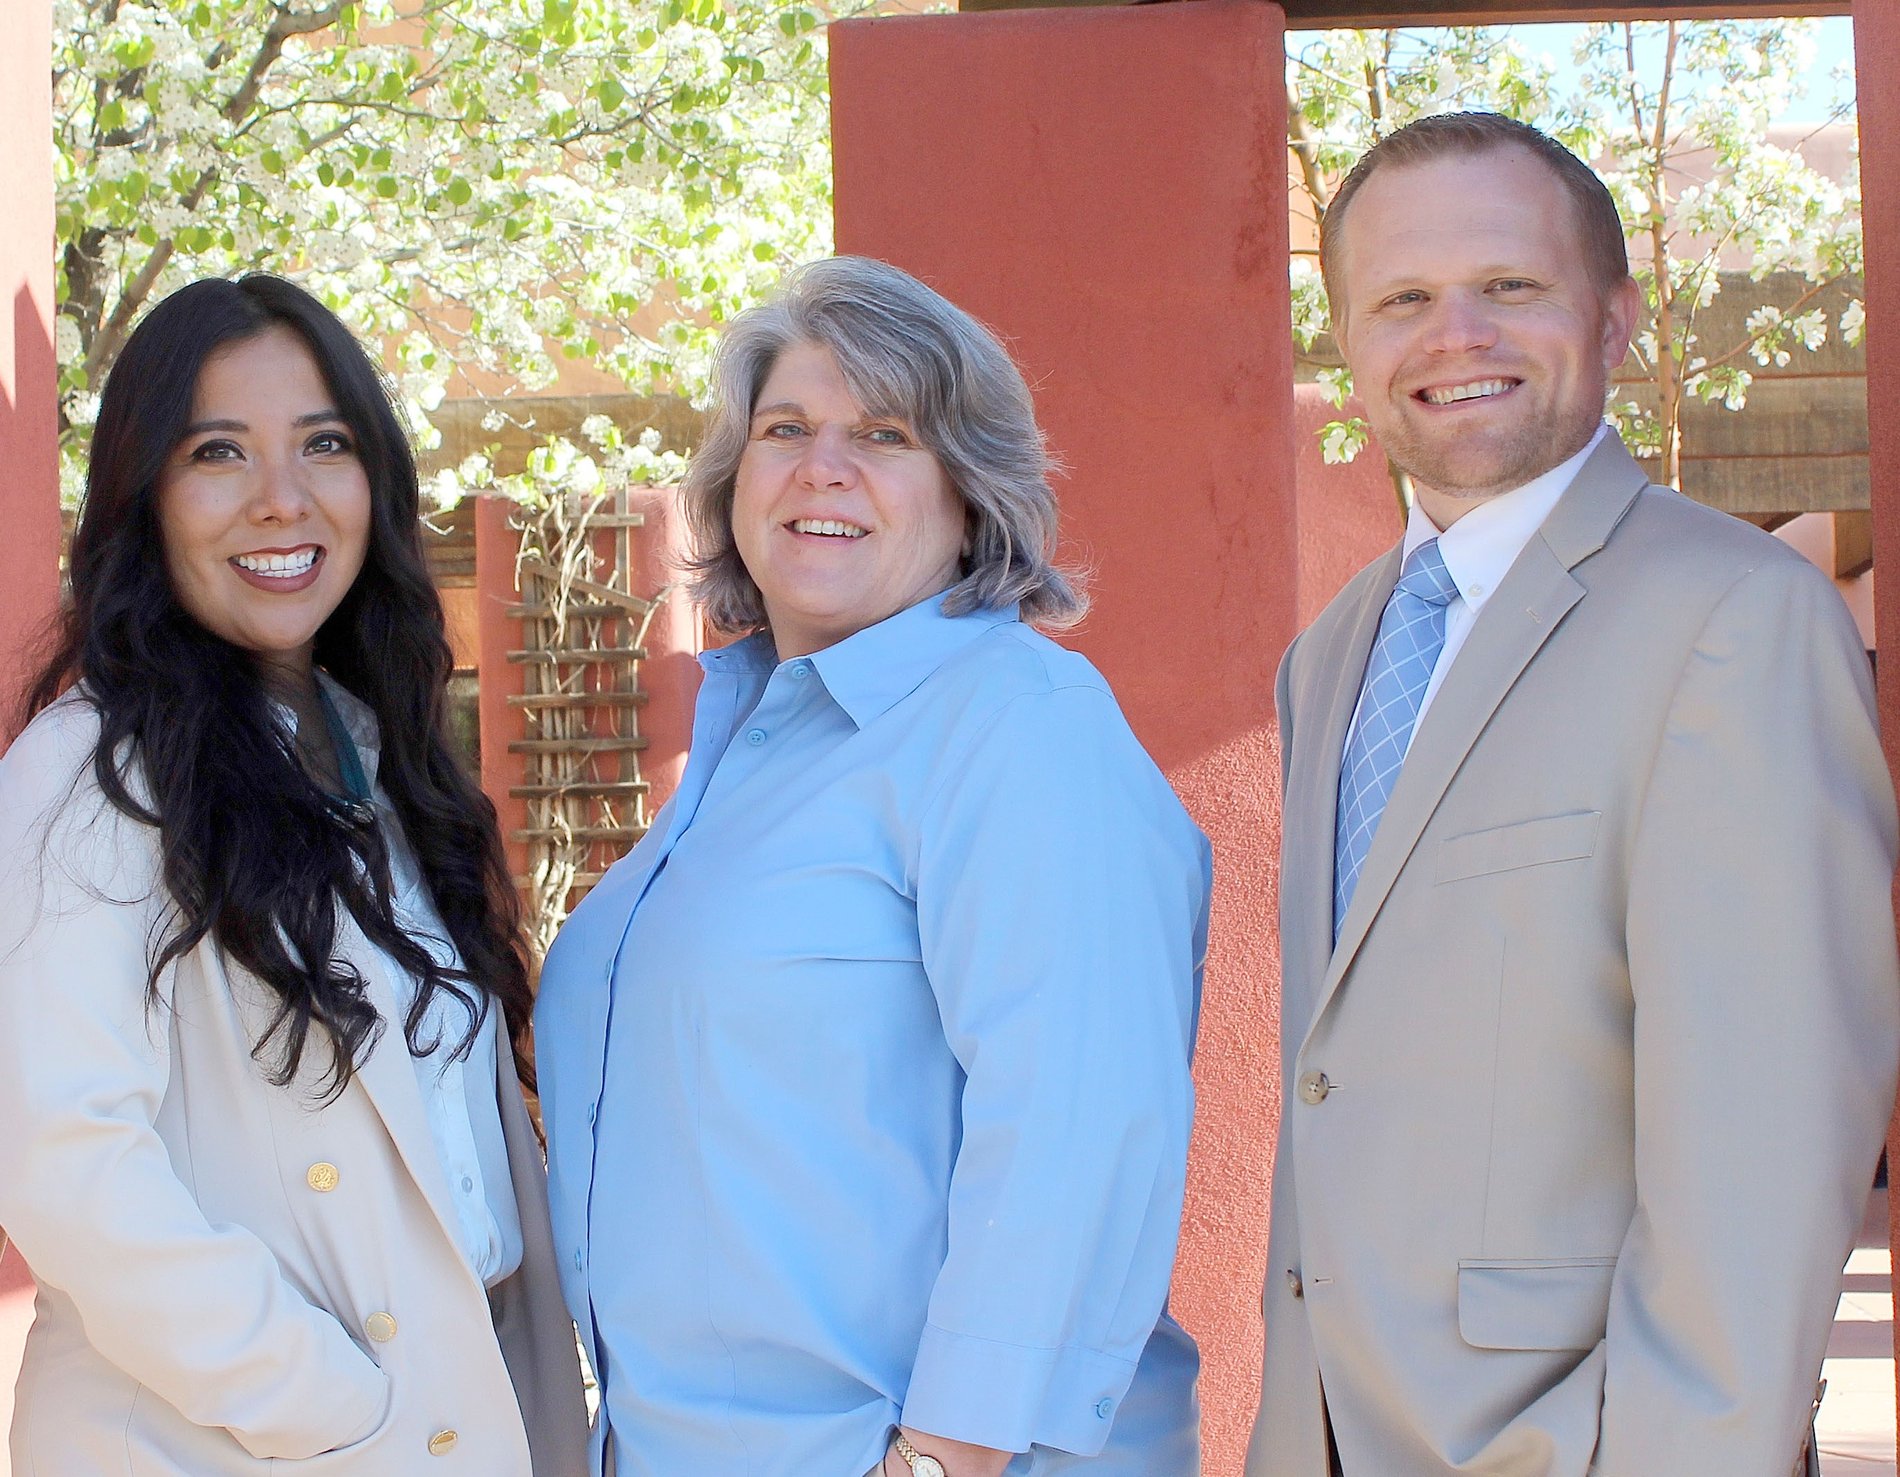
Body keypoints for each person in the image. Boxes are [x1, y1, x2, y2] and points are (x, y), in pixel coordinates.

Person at [1249, 112, 1900, 1477]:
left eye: (1511, 288)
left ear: (1615, 321)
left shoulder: (1738, 618)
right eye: (1404, 299)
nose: (1455, 335)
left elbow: (1767, 1147)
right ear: (1351, 344)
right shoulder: (1333, 653)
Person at [535, 255, 1211, 1477]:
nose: (821, 467)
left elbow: (1077, 1121)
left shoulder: (1013, 722)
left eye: (885, 434)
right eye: (784, 428)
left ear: (969, 492)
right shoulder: (748, 744)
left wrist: (941, 1458)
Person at [0, 274, 589, 1476]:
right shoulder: (95, 771)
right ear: (145, 498)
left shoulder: (381, 760)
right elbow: (57, 1153)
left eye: (323, 444)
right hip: (234, 1439)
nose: (282, 498)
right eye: (218, 451)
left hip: (445, 1414)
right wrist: (317, 1396)